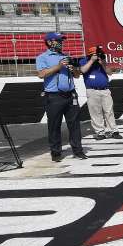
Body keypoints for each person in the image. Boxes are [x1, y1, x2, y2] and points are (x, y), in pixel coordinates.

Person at [35, 32, 86, 162]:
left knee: (74, 124)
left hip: (71, 94)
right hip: (54, 96)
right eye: (58, 40)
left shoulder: (66, 56)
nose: (60, 43)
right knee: (54, 125)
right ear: (49, 42)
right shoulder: (42, 57)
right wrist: (59, 66)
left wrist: (73, 68)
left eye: (61, 41)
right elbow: (41, 74)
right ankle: (56, 152)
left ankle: (78, 150)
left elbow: (77, 75)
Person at [79, 45, 121, 140]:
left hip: (105, 90)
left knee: (109, 111)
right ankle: (100, 132)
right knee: (95, 112)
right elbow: (83, 70)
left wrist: (103, 63)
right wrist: (92, 61)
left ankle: (113, 130)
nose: (98, 56)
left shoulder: (102, 61)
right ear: (91, 55)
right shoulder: (84, 60)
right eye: (96, 54)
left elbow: (109, 72)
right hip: (92, 90)